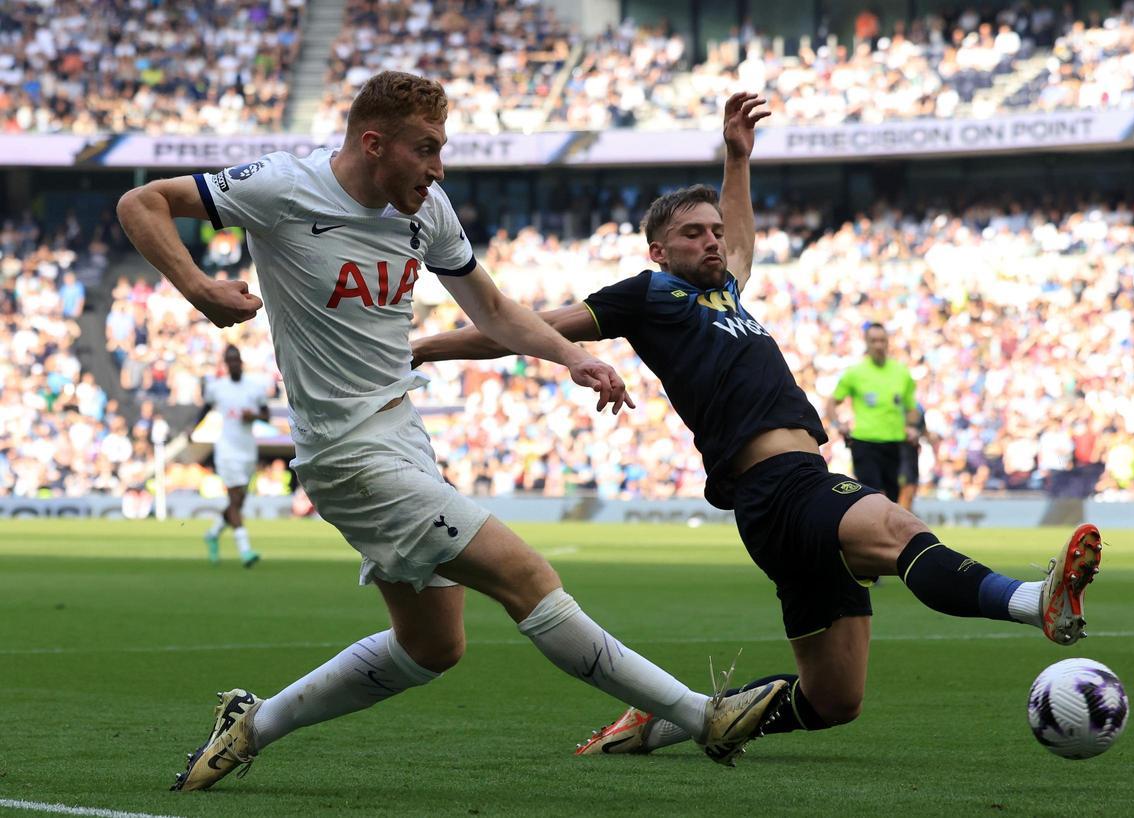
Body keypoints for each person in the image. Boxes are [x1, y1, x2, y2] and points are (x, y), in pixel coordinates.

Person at [115, 71, 787, 791]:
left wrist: (572, 357)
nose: (439, 168)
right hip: (345, 452)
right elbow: (141, 202)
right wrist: (198, 286)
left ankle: (251, 726)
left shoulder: (427, 210)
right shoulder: (284, 186)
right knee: (526, 576)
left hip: (403, 437)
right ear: (374, 143)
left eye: (443, 149)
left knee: (432, 645)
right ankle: (701, 717)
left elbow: (493, 310)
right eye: (426, 149)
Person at [411, 91, 1104, 756]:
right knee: (899, 529)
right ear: (658, 250)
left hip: (789, 492)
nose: (712, 241)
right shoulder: (648, 295)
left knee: (834, 700)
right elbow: (522, 326)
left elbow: (740, 241)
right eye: (693, 234)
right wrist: (423, 347)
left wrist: (737, 158)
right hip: (778, 487)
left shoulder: (725, 291)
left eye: (713, 231)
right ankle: (1031, 600)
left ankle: (668, 722)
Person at [825, 323, 918, 503]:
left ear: (888, 342)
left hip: (894, 443)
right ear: (866, 343)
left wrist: (912, 426)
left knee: (893, 498)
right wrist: (838, 424)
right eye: (874, 341)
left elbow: (911, 408)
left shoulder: (901, 372)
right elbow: (831, 403)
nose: (878, 345)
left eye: (882, 340)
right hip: (864, 442)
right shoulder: (855, 373)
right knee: (871, 497)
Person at [199, 344, 270, 567]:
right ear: (226, 364)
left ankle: (212, 533)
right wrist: (191, 428)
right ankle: (245, 551)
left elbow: (266, 415)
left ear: (241, 362)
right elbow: (204, 410)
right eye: (229, 360)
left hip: (247, 450)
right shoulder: (217, 388)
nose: (234, 364)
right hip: (227, 450)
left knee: (238, 502)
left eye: (236, 359)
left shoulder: (255, 388)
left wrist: (254, 416)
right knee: (234, 498)